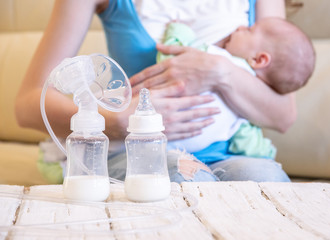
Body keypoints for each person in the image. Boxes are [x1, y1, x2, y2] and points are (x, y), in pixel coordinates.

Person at [15, 0, 299, 183]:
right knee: (180, 176)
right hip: (137, 150)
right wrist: (115, 123)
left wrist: (219, 71)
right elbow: (28, 104)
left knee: (266, 178)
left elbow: (284, 115)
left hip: (230, 153)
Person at [155, 18, 315, 165]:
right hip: (190, 152)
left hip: (157, 143)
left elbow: (171, 58)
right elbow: (248, 144)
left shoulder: (214, 55)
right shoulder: (245, 109)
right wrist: (268, 152)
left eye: (249, 30)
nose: (240, 27)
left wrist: (178, 29)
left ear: (259, 59)